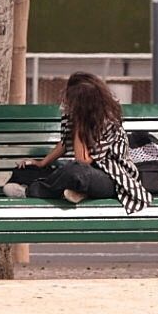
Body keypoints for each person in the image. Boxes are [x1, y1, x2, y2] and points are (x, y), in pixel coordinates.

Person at [17, 72, 151, 215]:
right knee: (27, 171)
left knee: (76, 172)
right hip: (85, 172)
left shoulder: (108, 122)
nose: (65, 99)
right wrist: (41, 163)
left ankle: (30, 191)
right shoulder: (74, 117)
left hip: (112, 179)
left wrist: (79, 124)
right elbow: (65, 143)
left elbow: (83, 160)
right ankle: (77, 192)